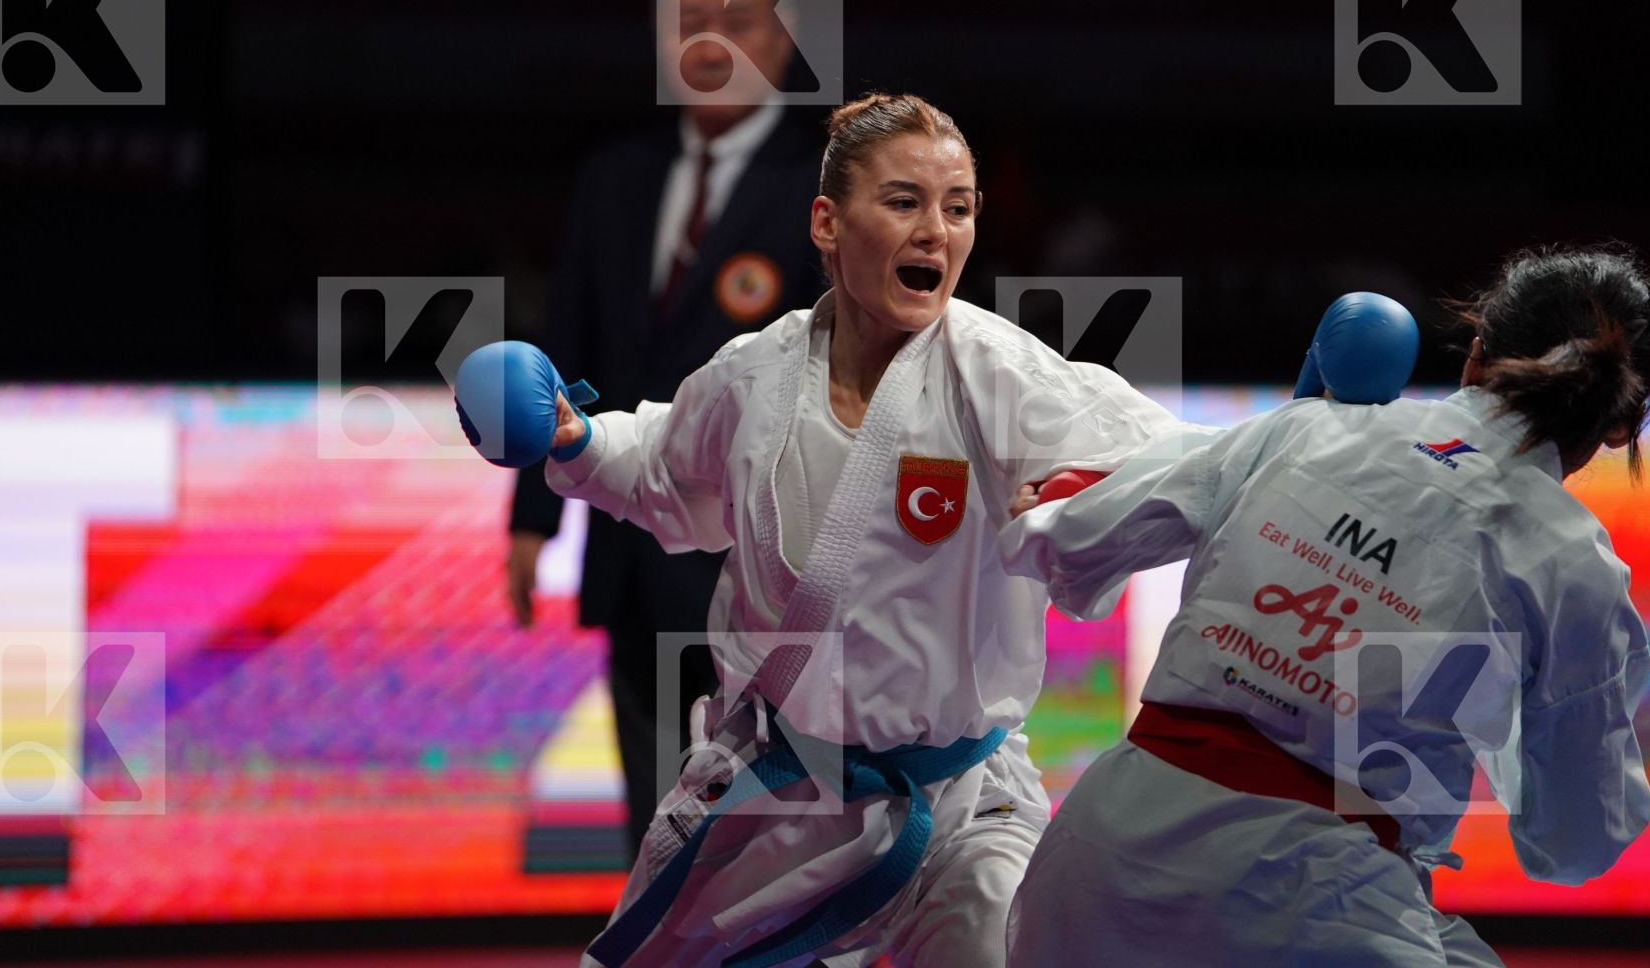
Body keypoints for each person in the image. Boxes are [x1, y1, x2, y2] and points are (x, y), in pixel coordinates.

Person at [536, 92, 1199, 967]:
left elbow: (1181, 468)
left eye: (957, 208)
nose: (937, 232)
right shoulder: (753, 376)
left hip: (960, 805)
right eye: (903, 202)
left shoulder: (997, 374)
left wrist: (1298, 441)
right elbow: (661, 463)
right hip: (774, 794)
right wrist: (575, 440)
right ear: (826, 223)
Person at [1002, 244, 1650, 968]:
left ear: (1474, 356)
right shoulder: (1574, 565)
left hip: (1091, 869)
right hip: (1317, 906)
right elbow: (1573, 845)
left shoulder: (1306, 428)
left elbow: (1065, 544)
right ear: (1622, 425)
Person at [507, 0, 824, 854]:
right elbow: (561, 351)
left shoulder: (827, 187)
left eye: (739, 21)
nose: (712, 44)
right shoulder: (613, 179)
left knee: (770, 833)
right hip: (630, 552)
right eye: (690, 24)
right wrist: (532, 518)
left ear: (785, 35)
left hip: (764, 560)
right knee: (653, 820)